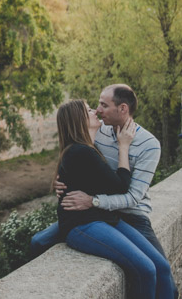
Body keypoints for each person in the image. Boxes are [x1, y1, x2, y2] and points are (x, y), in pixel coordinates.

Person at [54, 99, 182, 299]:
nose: (95, 111)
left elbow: (84, 181)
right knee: (145, 269)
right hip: (83, 225)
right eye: (90, 110)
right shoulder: (81, 151)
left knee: (158, 266)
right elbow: (121, 186)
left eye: (98, 106)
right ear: (79, 120)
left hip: (106, 218)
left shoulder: (89, 146)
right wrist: (124, 147)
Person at [32, 85, 169, 260]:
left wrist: (93, 201)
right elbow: (76, 155)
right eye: (97, 105)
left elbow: (133, 196)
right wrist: (61, 181)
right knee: (39, 241)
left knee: (160, 266)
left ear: (122, 108)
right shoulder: (97, 130)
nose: (97, 110)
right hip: (94, 213)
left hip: (130, 214)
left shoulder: (149, 144)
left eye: (104, 105)